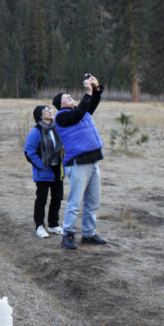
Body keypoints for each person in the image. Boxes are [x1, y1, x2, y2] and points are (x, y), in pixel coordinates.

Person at [53, 74, 107, 249]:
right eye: (66, 97)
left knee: (93, 202)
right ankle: (68, 234)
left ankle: (89, 234)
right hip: (78, 164)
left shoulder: (80, 112)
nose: (70, 97)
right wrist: (88, 92)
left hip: (93, 161)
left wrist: (96, 88)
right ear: (60, 104)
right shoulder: (62, 118)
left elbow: (91, 104)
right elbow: (79, 111)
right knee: (75, 202)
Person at [23, 105, 64, 238]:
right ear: (40, 116)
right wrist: (42, 165)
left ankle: (53, 224)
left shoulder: (56, 129)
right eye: (47, 110)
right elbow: (29, 152)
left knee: (57, 197)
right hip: (43, 171)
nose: (50, 111)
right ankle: (39, 226)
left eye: (51, 110)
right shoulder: (36, 132)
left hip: (58, 169)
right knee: (42, 199)